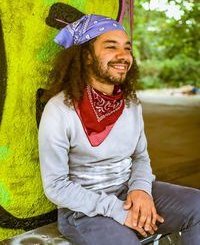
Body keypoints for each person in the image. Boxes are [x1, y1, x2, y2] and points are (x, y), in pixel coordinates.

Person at [38, 14, 200, 245]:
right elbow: (56, 186)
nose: (124, 56)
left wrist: (141, 190)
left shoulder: (131, 104)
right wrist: (117, 210)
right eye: (111, 47)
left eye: (127, 48)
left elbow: (140, 156)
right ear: (87, 57)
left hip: (129, 192)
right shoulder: (60, 110)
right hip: (83, 211)